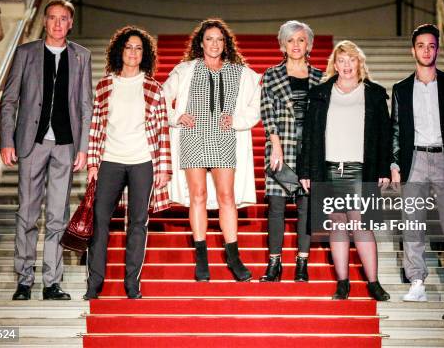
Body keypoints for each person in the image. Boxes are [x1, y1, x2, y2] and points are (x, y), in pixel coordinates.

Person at [0, 0, 92, 301]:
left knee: (57, 216)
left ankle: (52, 282)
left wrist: (83, 147)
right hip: (31, 142)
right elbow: (9, 99)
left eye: (63, 18)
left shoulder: (81, 57)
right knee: (26, 214)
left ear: (71, 22)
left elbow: (84, 105)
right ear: (44, 21)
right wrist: (7, 140)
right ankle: (24, 280)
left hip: (65, 145)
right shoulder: (26, 53)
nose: (57, 23)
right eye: (52, 17)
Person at [163, 18, 261, 282]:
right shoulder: (185, 70)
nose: (215, 44)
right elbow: (161, 97)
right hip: (193, 136)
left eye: (219, 39)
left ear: (226, 43)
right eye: (209, 39)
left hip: (225, 138)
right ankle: (202, 257)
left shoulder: (240, 72)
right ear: (201, 42)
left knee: (227, 196)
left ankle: (233, 256)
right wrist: (176, 116)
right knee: (198, 195)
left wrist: (238, 121)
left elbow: (256, 103)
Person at [84, 26, 172, 300]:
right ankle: (94, 284)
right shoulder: (104, 86)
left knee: (137, 223)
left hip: (141, 161)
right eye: (128, 47)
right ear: (119, 51)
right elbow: (96, 126)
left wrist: (164, 168)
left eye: (138, 48)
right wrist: (92, 163)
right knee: (99, 221)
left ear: (143, 55)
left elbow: (162, 130)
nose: (133, 53)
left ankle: (132, 284)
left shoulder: (153, 88)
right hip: (109, 159)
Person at [298, 40, 390, 301]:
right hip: (328, 169)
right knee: (337, 225)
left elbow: (384, 134)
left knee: (362, 225)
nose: (347, 65)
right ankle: (342, 283)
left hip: (360, 169)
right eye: (342, 60)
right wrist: (306, 171)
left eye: (351, 59)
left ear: (359, 62)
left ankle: (373, 283)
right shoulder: (320, 94)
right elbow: (310, 136)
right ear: (335, 65)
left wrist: (384, 167)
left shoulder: (373, 94)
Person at [390, 24, 444, 302]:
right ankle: (417, 281)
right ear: (413, 50)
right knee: (412, 222)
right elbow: (396, 129)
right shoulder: (401, 89)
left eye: (431, 46)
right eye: (421, 45)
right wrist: (395, 164)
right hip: (415, 160)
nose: (426, 50)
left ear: (437, 49)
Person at [259, 20, 323, 282]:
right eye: (290, 40)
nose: (295, 45)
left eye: (300, 40)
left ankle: (301, 264)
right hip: (280, 147)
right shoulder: (272, 75)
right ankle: (274, 265)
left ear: (308, 44)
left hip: (309, 150)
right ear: (282, 45)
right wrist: (275, 145)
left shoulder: (321, 76)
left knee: (306, 208)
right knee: (276, 207)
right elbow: (266, 111)